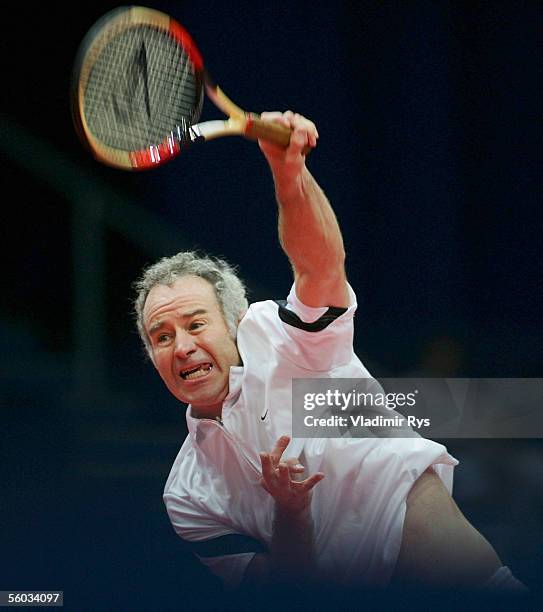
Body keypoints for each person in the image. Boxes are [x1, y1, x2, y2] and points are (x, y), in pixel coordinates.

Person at [133, 112, 525, 595]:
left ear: (236, 325)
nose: (183, 345)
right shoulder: (188, 495)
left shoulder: (279, 336)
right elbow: (285, 589)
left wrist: (288, 171)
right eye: (162, 336)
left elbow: (320, 266)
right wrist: (290, 512)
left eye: (195, 324)